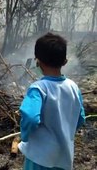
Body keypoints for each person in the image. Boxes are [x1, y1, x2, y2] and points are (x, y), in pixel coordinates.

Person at [18, 32, 86, 170]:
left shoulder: (38, 89)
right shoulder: (74, 88)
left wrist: (24, 136)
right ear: (65, 62)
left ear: (37, 61)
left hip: (40, 158)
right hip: (64, 157)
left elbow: (30, 118)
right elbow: (80, 119)